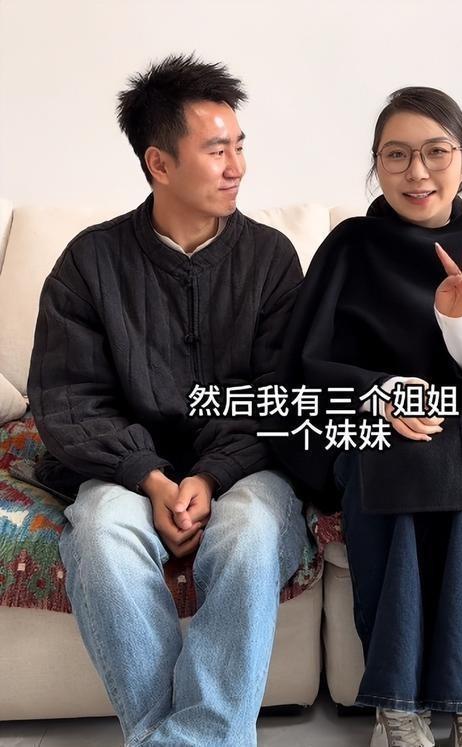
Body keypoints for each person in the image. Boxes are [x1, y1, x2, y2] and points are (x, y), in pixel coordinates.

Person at [27, 53, 309, 747]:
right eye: (216, 150)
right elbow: (67, 400)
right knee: (101, 533)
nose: (237, 167)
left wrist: (209, 477)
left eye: (239, 146)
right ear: (159, 163)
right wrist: (152, 479)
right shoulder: (89, 263)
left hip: (246, 470)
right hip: (123, 474)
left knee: (250, 531)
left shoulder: (271, 259)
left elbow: (283, 395)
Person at [270, 87, 462, 747]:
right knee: (395, 448)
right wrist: (378, 392)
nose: (417, 172)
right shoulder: (348, 249)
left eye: (436, 152)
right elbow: (297, 370)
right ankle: (398, 708)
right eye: (396, 155)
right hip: (372, 431)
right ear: (376, 164)